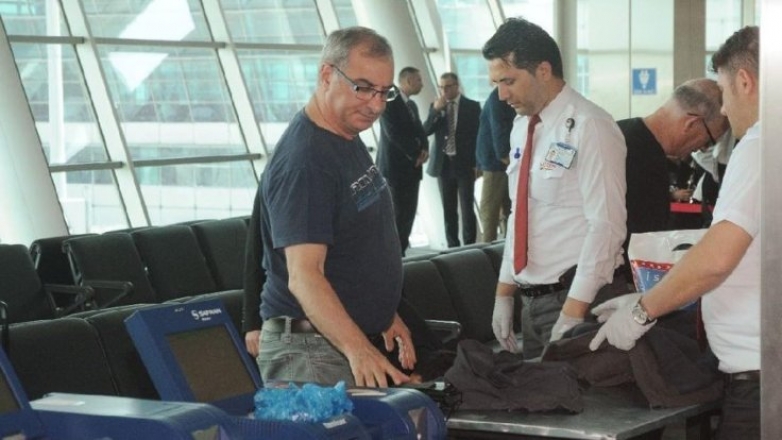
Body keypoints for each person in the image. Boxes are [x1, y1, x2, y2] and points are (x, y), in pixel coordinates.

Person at [589, 26, 760, 439]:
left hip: (761, 376)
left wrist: (643, 310)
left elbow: (718, 258)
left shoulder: (760, 145)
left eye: (725, 92)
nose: (727, 109)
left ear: (744, 81)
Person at [256, 26, 414, 388]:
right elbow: (304, 276)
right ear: (327, 75)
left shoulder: (344, 135)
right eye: (363, 88)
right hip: (311, 350)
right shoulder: (307, 163)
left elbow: (355, 237)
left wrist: (383, 312)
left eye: (384, 92)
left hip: (336, 339)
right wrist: (358, 347)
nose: (376, 105)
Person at [484, 17, 628, 359]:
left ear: (544, 70)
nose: (501, 95)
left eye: (509, 81)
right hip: (531, 304)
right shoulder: (522, 127)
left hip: (576, 299)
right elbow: (521, 213)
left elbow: (606, 226)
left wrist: (574, 311)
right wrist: (504, 293)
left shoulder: (591, 126)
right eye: (496, 83)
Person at [621, 78, 729, 275]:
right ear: (691, 123)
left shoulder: (619, 133)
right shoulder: (641, 159)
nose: (701, 149)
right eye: (709, 141)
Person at [424, 72, 481, 248]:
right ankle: (452, 246)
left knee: (467, 208)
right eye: (441, 87)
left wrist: (478, 164)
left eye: (448, 87)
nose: (444, 91)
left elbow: (478, 137)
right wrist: (435, 110)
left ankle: (470, 245)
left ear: (457, 86)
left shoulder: (472, 106)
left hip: (465, 164)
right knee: (448, 210)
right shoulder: (436, 106)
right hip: (443, 165)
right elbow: (425, 130)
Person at [377, 67, 429, 254]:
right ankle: (393, 256)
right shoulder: (390, 101)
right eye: (418, 80)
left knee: (408, 215)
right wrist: (415, 154)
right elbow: (393, 133)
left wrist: (424, 150)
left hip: (412, 170)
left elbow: (420, 130)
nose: (422, 84)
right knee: (397, 215)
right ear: (408, 81)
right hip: (395, 170)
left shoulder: (411, 105)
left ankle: (402, 253)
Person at [476, 86, 516, 242]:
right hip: (499, 161)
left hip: (496, 163)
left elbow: (498, 128)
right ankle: (506, 245)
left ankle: (487, 248)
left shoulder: (498, 97)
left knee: (489, 210)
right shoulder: (501, 96)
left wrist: (504, 155)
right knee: (507, 208)